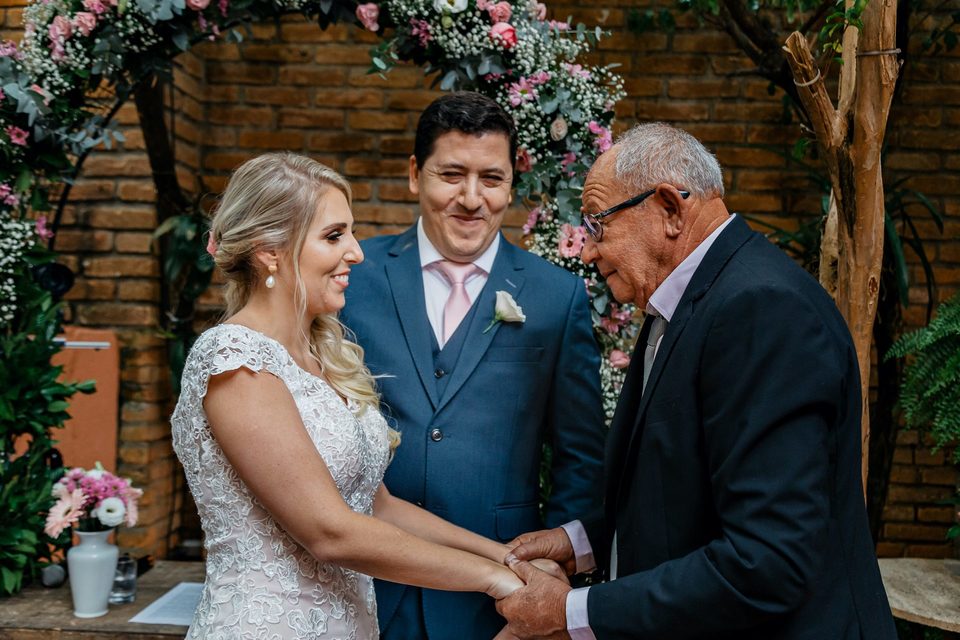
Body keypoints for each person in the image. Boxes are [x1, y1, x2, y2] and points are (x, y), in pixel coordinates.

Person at [496, 123, 898, 639]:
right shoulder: (683, 298)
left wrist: (571, 611)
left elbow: (767, 560)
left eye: (598, 225)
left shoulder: (764, 310)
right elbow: (683, 493)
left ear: (668, 208)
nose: (587, 252)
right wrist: (581, 544)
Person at [171, 152, 547, 639]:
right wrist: (495, 582)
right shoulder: (235, 360)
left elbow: (377, 506)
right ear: (270, 251)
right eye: (334, 236)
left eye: (350, 232)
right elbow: (330, 532)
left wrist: (507, 558)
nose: (356, 252)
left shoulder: (322, 352)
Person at [339, 91, 606, 640]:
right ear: (414, 174)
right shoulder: (351, 280)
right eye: (452, 174)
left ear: (511, 184)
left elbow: (580, 455)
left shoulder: (557, 296)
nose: (470, 198)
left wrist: (554, 568)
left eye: (491, 178)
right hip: (361, 580)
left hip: (498, 595)